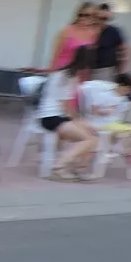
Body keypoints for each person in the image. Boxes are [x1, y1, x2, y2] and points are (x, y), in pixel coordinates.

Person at [36, 45, 99, 180]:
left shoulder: (62, 73)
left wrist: (81, 122)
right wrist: (81, 121)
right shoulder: (68, 77)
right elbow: (67, 107)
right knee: (88, 139)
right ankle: (59, 166)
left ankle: (78, 168)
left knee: (93, 135)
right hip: (52, 117)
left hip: (54, 116)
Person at [49, 3, 100, 72]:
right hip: (62, 71)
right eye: (81, 15)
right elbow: (56, 55)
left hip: (80, 74)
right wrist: (51, 72)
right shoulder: (67, 30)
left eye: (89, 15)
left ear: (94, 18)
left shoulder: (94, 33)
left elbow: (89, 58)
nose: (84, 18)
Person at [91, 4, 129, 81]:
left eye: (104, 18)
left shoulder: (113, 31)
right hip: (88, 69)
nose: (101, 21)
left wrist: (122, 71)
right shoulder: (90, 30)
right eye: (98, 18)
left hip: (106, 70)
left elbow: (125, 50)